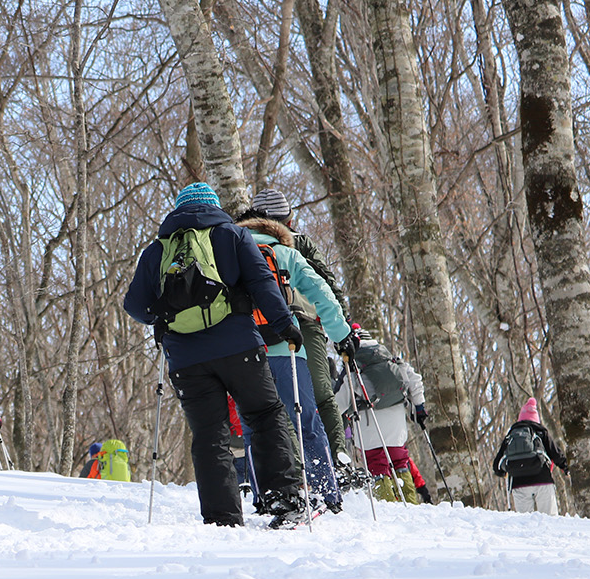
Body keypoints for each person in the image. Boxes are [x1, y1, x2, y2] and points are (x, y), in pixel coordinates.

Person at [122, 182, 310, 528]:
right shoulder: (234, 236)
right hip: (238, 345)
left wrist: (163, 316)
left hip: (186, 358)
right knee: (265, 415)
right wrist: (284, 324)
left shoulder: (157, 250)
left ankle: (222, 517)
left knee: (210, 434)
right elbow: (261, 283)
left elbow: (134, 305)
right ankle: (282, 500)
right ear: (213, 206)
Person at [233, 188, 346, 512]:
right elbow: (323, 294)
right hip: (288, 348)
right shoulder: (286, 253)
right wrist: (341, 335)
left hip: (245, 352)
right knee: (306, 421)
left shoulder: (231, 252)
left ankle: (262, 496)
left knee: (255, 425)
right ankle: (327, 493)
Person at [333, 325, 426, 504]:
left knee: (377, 465)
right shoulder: (391, 361)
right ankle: (410, 502)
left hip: (370, 428)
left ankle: (388, 504)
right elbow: (415, 381)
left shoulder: (354, 369)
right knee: (400, 462)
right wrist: (419, 407)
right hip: (397, 424)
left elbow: (340, 403)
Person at [493, 397, 568, 514]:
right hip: (543, 480)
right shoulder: (541, 432)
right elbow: (556, 454)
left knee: (525, 523)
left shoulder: (511, 435)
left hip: (519, 484)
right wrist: (565, 467)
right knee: (550, 520)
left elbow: (496, 466)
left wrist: (503, 472)